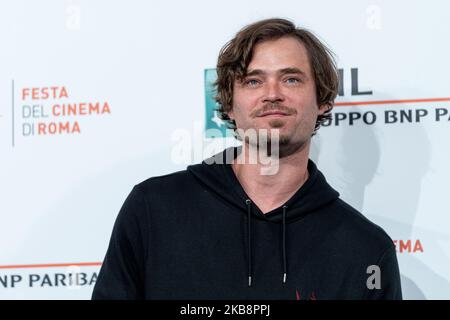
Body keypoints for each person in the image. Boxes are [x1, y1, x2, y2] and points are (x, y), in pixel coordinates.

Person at [92, 18, 402, 300]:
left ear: (322, 100)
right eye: (253, 81)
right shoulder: (153, 209)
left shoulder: (366, 250)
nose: (272, 94)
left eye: (291, 79)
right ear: (228, 104)